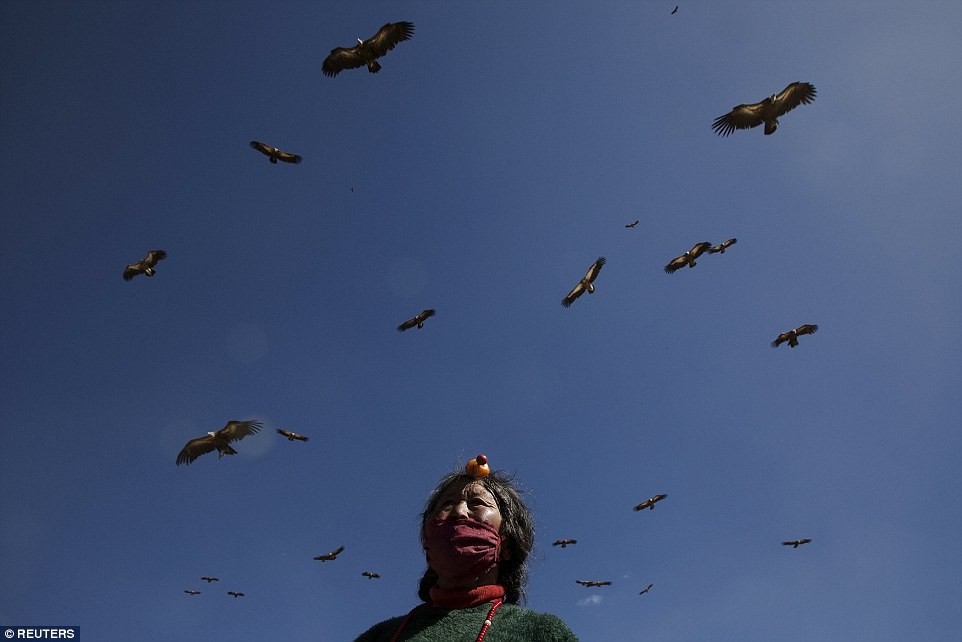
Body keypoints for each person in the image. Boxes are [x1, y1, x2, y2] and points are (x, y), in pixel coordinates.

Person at [355, 457, 578, 641]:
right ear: (426, 541)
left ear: (507, 545)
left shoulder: (542, 633)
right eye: (447, 504)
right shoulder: (379, 636)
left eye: (477, 504)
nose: (459, 512)